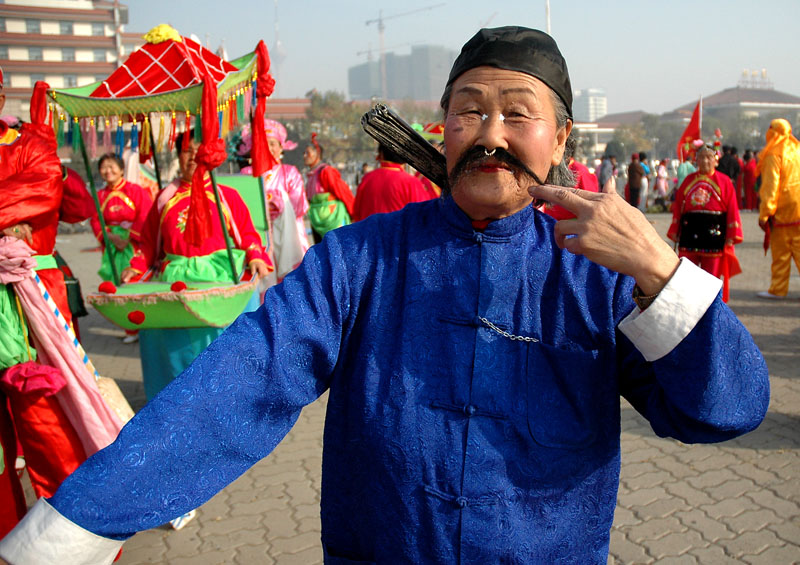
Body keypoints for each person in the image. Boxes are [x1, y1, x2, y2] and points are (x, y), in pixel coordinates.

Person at [0, 27, 769, 564]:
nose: (490, 131)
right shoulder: (362, 258)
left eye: (517, 113)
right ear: (444, 127)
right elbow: (239, 386)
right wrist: (80, 517)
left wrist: (663, 270)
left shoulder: (597, 274)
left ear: (561, 140)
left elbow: (723, 409)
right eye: (470, 110)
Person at [0, 71, 88, 538]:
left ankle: (71, 537)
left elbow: (50, 192)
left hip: (31, 298)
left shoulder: (31, 145)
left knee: (49, 423)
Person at [120, 132, 271, 400]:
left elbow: (247, 235)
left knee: (219, 341)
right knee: (171, 344)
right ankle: (175, 401)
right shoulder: (165, 197)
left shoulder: (227, 196)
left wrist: (256, 256)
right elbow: (147, 245)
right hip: (175, 280)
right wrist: (135, 267)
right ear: (178, 155)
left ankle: (227, 397)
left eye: (198, 151)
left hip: (218, 279)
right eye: (187, 151)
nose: (193, 157)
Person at [90, 153, 153, 344]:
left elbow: (145, 214)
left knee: (134, 283)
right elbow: (95, 220)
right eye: (104, 167)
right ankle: (130, 328)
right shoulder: (100, 195)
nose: (108, 171)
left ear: (121, 168)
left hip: (133, 246)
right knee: (116, 284)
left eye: (112, 166)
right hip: (112, 247)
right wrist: (110, 237)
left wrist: (129, 237)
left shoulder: (135, 191)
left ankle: (145, 326)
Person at [667, 144, 743, 302]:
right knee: (687, 271)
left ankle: (710, 302)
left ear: (715, 160)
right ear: (696, 160)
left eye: (708, 157)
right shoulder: (688, 180)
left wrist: (731, 235)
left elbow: (732, 209)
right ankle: (688, 301)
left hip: (714, 234)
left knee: (711, 274)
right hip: (690, 233)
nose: (705, 161)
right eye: (701, 157)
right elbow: (678, 207)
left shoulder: (725, 181)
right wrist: (675, 228)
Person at [240, 118, 309, 280]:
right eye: (265, 143)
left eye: (273, 144)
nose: (269, 148)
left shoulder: (290, 172)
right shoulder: (247, 174)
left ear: (281, 148)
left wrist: (280, 205)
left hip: (289, 235)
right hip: (259, 233)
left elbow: (299, 207)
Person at [756, 118, 800, 299]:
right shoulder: (796, 149)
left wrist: (766, 212)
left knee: (781, 252)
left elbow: (771, 186)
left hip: (783, 210)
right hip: (798, 207)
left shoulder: (774, 153)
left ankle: (778, 288)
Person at [352, 142, 435, 222]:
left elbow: (357, 213)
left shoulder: (367, 178)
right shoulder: (412, 182)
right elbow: (423, 217)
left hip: (368, 234)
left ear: (381, 154)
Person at [303, 134, 354, 242]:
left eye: (308, 152)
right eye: (304, 153)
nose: (304, 156)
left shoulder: (326, 172)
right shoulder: (311, 176)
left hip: (333, 219)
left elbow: (342, 192)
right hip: (316, 221)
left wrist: (354, 213)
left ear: (317, 154)